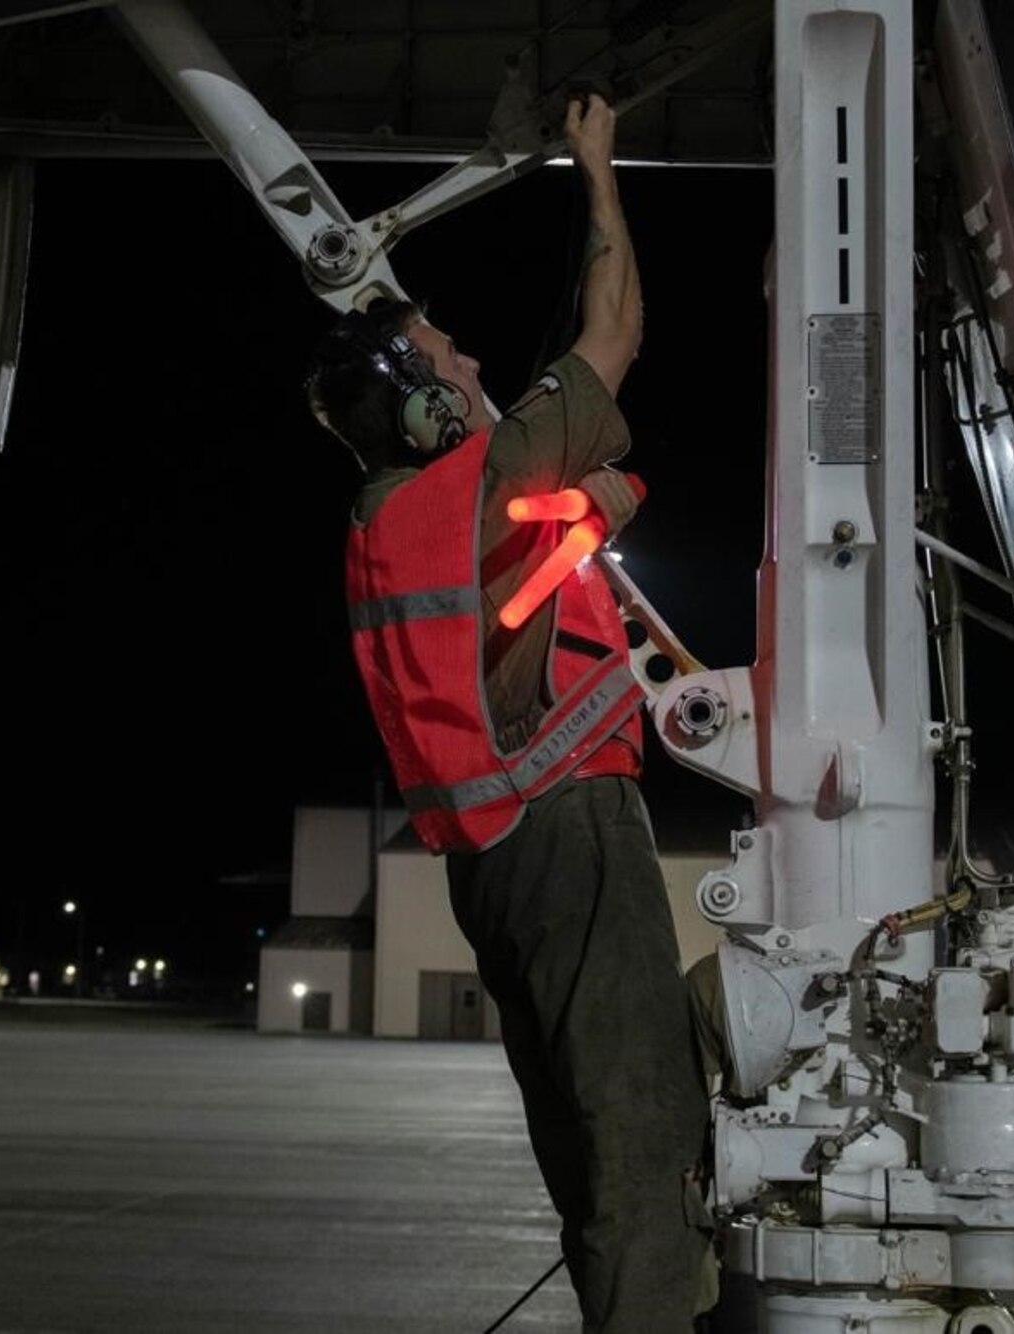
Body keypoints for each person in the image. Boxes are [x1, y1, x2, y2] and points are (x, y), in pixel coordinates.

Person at [304, 92, 713, 1334]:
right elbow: (618, 326)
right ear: (420, 410)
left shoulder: (390, 527)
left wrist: (588, 501)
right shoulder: (470, 485)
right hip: (570, 830)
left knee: (590, 1150)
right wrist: (595, 170)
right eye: (446, 358)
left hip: (491, 868)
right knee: (646, 1138)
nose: (472, 364)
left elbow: (541, 563)